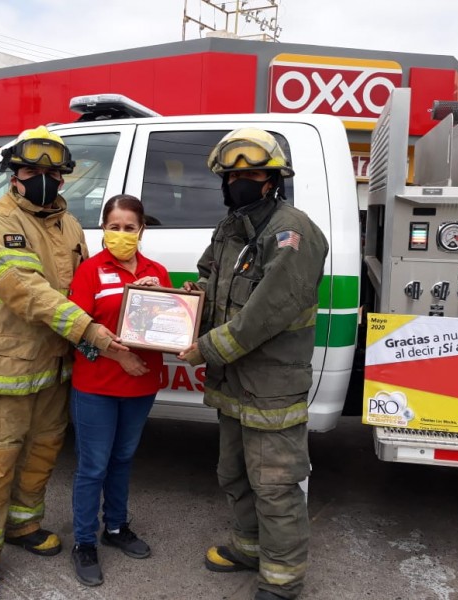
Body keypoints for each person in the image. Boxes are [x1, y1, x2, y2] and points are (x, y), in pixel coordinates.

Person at [0, 126, 126, 600]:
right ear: (14, 176)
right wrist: (89, 331)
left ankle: (23, 526)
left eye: (52, 172)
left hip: (55, 369)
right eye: (32, 170)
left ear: (64, 178)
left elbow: (87, 285)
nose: (42, 178)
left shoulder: (68, 225)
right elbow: (24, 290)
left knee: (42, 455)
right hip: (5, 373)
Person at [178, 128, 329, 600]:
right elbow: (209, 276)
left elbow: (266, 313)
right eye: (232, 174)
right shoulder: (231, 226)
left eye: (251, 173)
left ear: (274, 179)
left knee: (276, 485)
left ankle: (282, 581)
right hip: (233, 383)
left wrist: (206, 348)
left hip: (270, 383)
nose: (239, 181)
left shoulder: (291, 232)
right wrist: (189, 302)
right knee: (235, 472)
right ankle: (248, 548)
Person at [67, 194, 172, 587]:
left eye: (130, 227)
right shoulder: (90, 272)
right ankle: (83, 542)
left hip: (141, 384)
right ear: (103, 229)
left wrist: (154, 298)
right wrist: (117, 356)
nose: (122, 234)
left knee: (123, 459)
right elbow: (74, 333)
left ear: (141, 229)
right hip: (96, 385)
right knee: (93, 465)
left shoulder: (157, 272)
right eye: (114, 227)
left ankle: (115, 527)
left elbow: (170, 328)